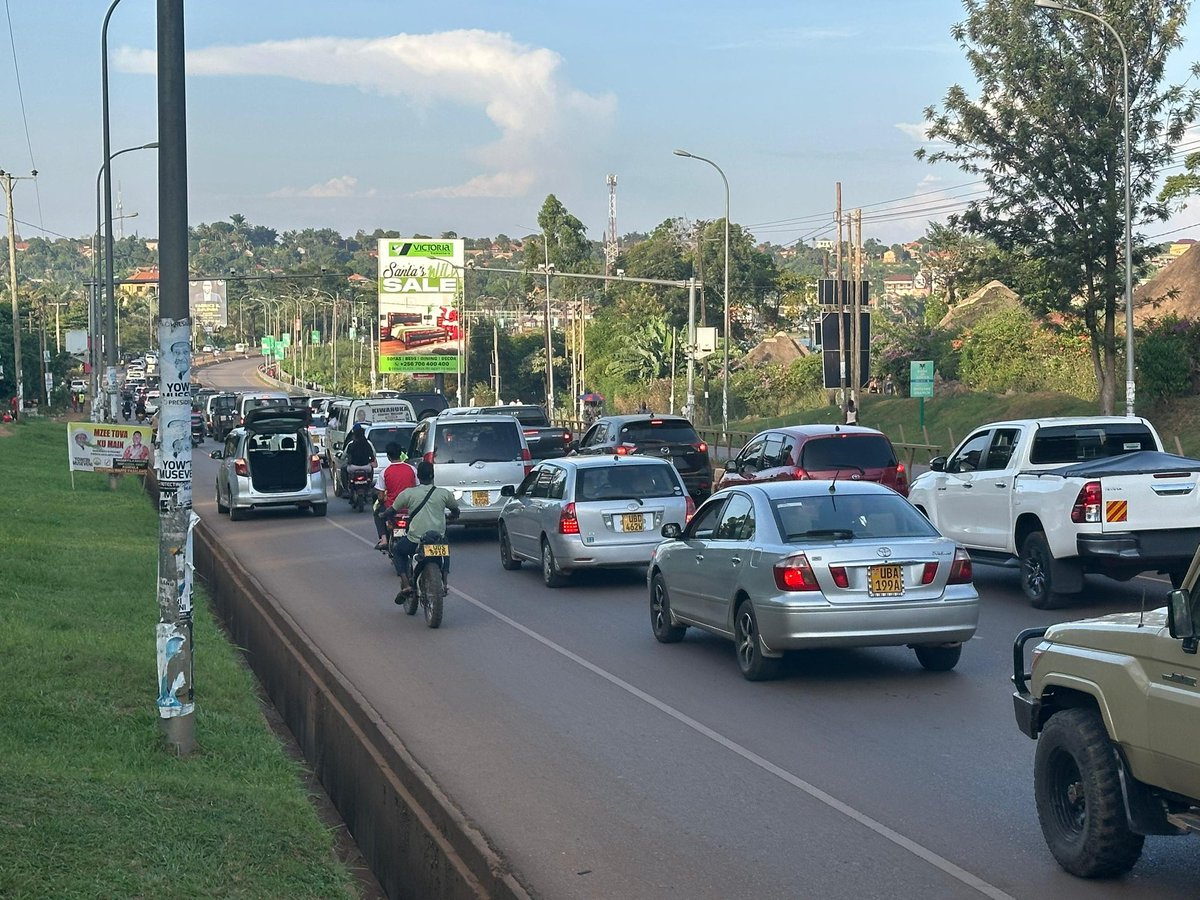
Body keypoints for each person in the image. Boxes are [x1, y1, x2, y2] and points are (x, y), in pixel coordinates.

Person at [390, 460, 460, 598]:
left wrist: (382, 515)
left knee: (397, 551)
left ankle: (406, 584)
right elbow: (456, 511)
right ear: (433, 475)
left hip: (415, 541)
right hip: (437, 539)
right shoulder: (444, 493)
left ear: (418, 476)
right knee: (445, 553)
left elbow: (392, 510)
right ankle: (444, 583)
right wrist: (451, 517)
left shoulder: (408, 493)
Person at [373, 442, 416, 552]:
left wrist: (382, 500)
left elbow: (381, 497)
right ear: (401, 454)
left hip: (392, 509)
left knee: (377, 512)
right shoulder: (412, 469)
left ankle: (383, 539)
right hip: (411, 507)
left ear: (388, 456)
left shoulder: (384, 472)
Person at [341, 424, 377, 492]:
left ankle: (346, 488)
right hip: (366, 468)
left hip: (352, 468)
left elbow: (344, 456)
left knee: (343, 469)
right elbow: (373, 454)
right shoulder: (368, 443)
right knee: (371, 469)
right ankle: (369, 485)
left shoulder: (351, 444)